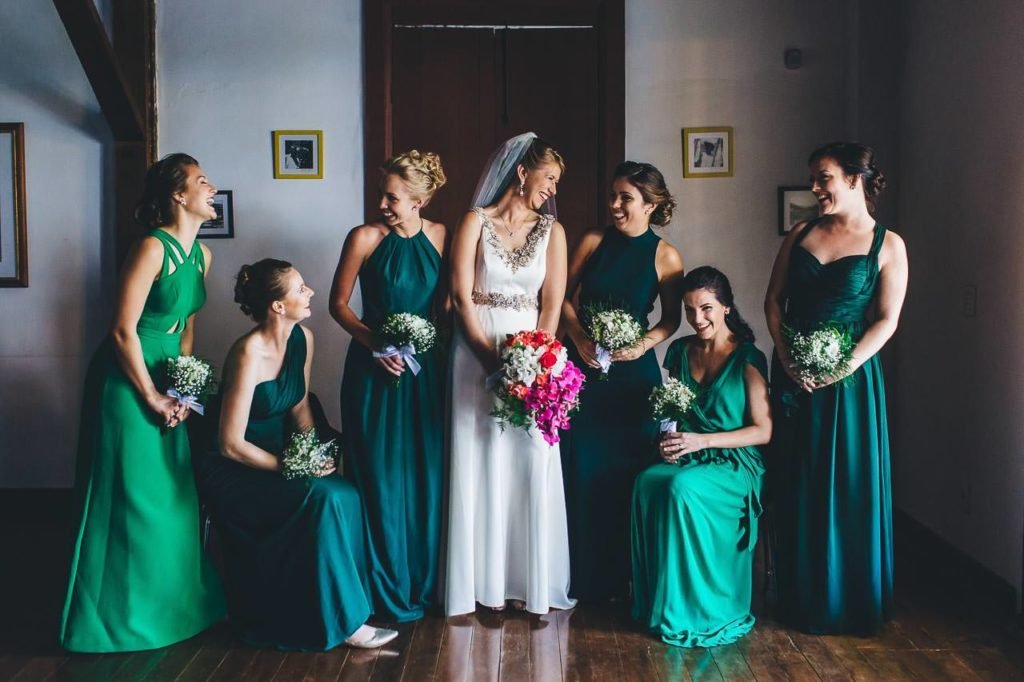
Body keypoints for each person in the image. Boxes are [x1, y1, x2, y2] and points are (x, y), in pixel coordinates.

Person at [60, 154, 225, 652]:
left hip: (169, 375)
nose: (212, 188)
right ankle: (117, 619)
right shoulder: (151, 248)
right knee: (133, 499)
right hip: (127, 378)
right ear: (178, 195)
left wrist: (183, 388)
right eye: (201, 181)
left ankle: (177, 610)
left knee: (173, 497)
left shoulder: (202, 256)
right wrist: (150, 394)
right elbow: (121, 330)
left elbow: (188, 329)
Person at [193, 259, 397, 650]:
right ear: (277, 306)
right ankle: (347, 624)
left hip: (280, 456)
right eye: (300, 289)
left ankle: (348, 607)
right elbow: (229, 443)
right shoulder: (248, 353)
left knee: (344, 493)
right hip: (236, 468)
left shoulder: (303, 338)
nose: (311, 293)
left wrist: (312, 455)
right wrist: (290, 466)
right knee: (322, 499)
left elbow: (300, 406)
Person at [764, 141, 908, 634]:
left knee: (847, 483)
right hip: (793, 375)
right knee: (796, 478)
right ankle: (799, 597)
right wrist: (786, 357)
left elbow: (886, 320)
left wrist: (843, 366)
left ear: (854, 179)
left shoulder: (888, 245)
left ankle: (849, 601)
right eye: (813, 178)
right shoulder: (801, 233)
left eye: (822, 177)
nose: (814, 187)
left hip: (850, 382)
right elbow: (773, 301)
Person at [445, 133, 574, 616]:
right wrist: (491, 361)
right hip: (475, 354)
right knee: (481, 458)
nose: (553, 190)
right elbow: (460, 297)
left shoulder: (553, 232)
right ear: (522, 172)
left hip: (532, 361)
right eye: (549, 178)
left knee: (529, 460)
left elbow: (552, 304)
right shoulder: (473, 223)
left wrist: (536, 365)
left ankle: (528, 583)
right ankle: (482, 585)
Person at [330, 150, 448, 622]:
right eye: (382, 194)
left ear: (419, 201)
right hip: (372, 372)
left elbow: (447, 307)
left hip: (425, 374)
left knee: (424, 475)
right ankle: (380, 589)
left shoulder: (441, 236)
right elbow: (339, 305)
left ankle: (423, 583)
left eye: (392, 197)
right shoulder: (363, 237)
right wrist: (376, 343)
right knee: (379, 478)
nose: (382, 204)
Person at [559, 161, 685, 601]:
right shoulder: (593, 241)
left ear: (650, 205)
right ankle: (579, 574)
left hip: (633, 378)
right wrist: (578, 338)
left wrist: (642, 344)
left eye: (625, 198)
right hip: (582, 370)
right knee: (579, 466)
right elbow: (560, 298)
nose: (614, 204)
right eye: (613, 195)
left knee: (625, 471)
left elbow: (671, 319)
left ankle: (625, 577)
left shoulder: (666, 256)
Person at [632, 266, 770, 647]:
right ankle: (657, 601)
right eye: (690, 310)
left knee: (681, 488)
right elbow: (672, 413)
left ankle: (695, 609)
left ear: (726, 307)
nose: (697, 319)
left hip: (735, 463)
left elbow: (763, 431)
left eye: (706, 308)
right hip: (691, 454)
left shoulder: (748, 358)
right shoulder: (680, 351)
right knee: (647, 482)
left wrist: (702, 442)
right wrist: (668, 439)